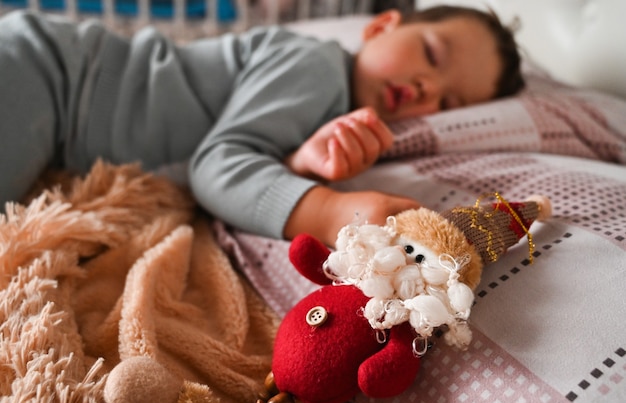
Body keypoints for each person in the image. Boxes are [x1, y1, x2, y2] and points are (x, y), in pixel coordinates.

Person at [0, 5, 524, 247]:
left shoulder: (335, 108)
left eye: (448, 100)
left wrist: (296, 163)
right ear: (382, 24)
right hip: (52, 76)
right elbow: (218, 163)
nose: (425, 86)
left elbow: (245, 141)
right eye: (430, 54)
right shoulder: (318, 65)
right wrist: (328, 210)